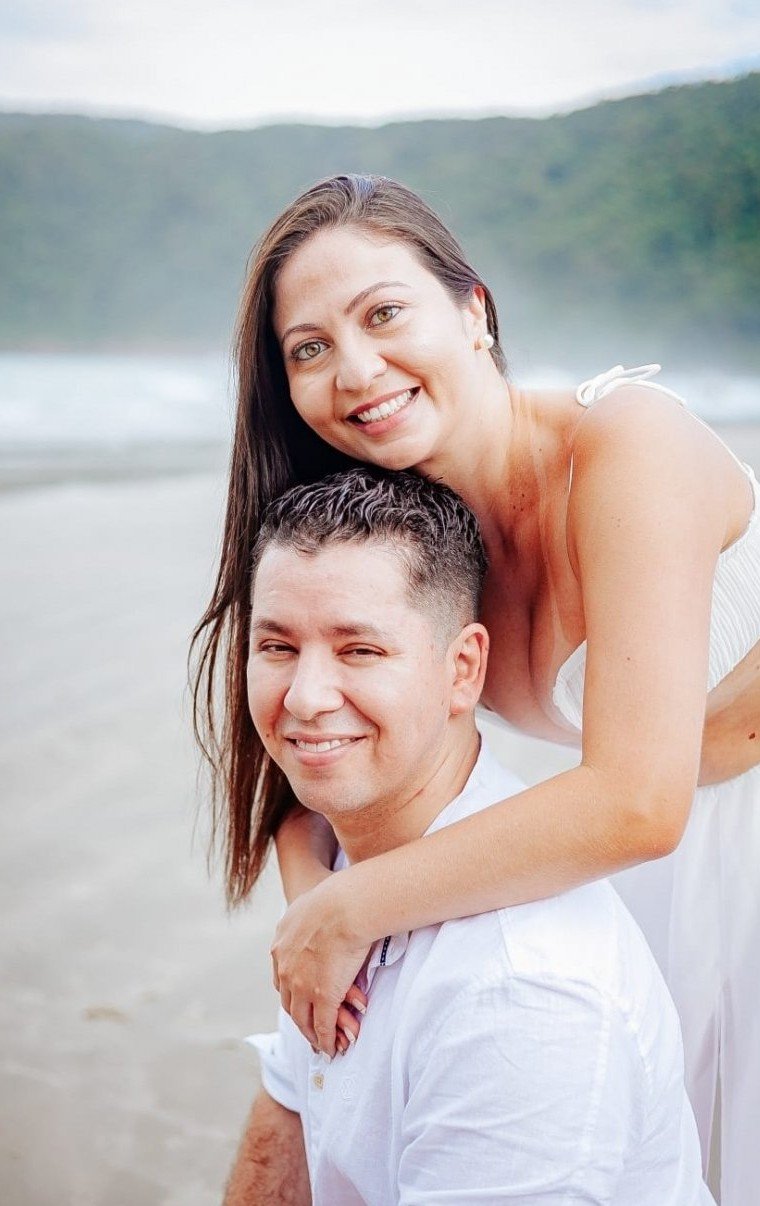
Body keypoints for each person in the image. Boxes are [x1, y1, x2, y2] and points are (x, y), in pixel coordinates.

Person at [191, 174, 760, 1204]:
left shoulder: (629, 445)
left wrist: (349, 913)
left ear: (473, 311)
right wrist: (315, 903)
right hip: (642, 867)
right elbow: (305, 773)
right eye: (308, 348)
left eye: (384, 314)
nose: (355, 369)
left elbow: (639, 798)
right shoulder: (409, 538)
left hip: (678, 834)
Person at [224, 466, 712, 1205]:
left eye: (360, 651)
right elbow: (293, 1108)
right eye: (277, 647)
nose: (306, 698)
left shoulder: (521, 998)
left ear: (463, 669)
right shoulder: (341, 866)